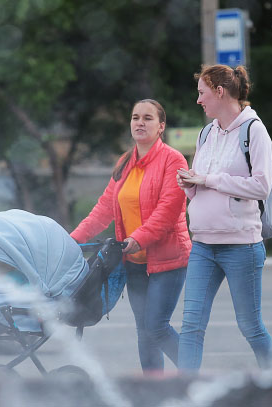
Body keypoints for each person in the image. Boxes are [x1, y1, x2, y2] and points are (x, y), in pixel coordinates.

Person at [71, 99, 192, 374]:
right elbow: (104, 208)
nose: (140, 122)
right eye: (135, 117)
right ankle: (152, 393)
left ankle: (195, 378)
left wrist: (137, 238)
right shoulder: (125, 162)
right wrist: (73, 239)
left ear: (161, 126)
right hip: (133, 261)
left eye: (148, 118)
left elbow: (167, 213)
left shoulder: (174, 160)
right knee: (144, 331)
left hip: (168, 260)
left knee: (157, 327)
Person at [176, 65, 272, 372]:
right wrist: (190, 184)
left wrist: (209, 179)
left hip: (241, 246)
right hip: (204, 244)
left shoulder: (253, 130)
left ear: (220, 92)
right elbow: (201, 181)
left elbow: (261, 186)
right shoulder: (207, 133)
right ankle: (184, 395)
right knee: (191, 326)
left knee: (250, 327)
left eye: (202, 93)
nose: (199, 101)